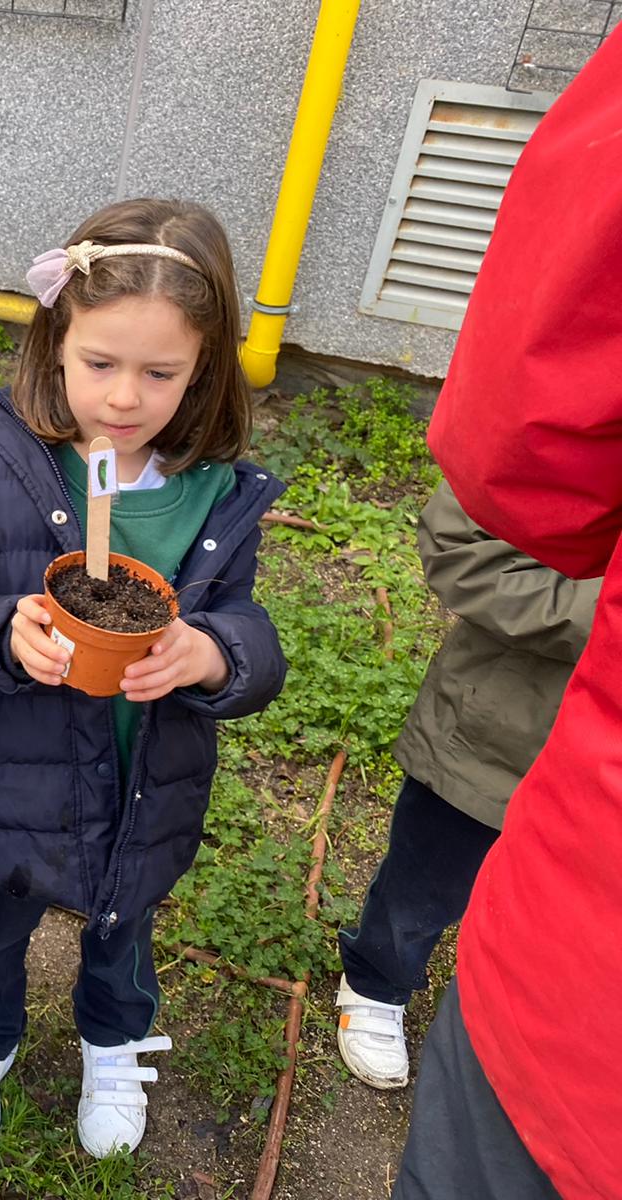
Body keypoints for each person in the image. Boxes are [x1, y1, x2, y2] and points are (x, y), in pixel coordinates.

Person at [0, 199, 287, 1158]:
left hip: (148, 769)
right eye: (99, 363)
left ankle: (112, 1041)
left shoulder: (214, 494)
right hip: (16, 774)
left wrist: (215, 655)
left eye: (161, 373)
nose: (123, 398)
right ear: (55, 340)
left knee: (126, 923)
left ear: (204, 367)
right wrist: (0, 634)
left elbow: (242, 621)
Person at [392, 31, 622, 1200]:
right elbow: (482, 531)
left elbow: (522, 452)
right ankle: (376, 982)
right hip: (498, 747)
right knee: (422, 887)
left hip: (573, 999)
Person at [334, 481, 599, 1089]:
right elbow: (465, 551)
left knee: (568, 907)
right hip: (503, 733)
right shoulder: (568, 429)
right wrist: (604, 613)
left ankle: (525, 1023)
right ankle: (379, 981)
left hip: (600, 773)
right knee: (431, 876)